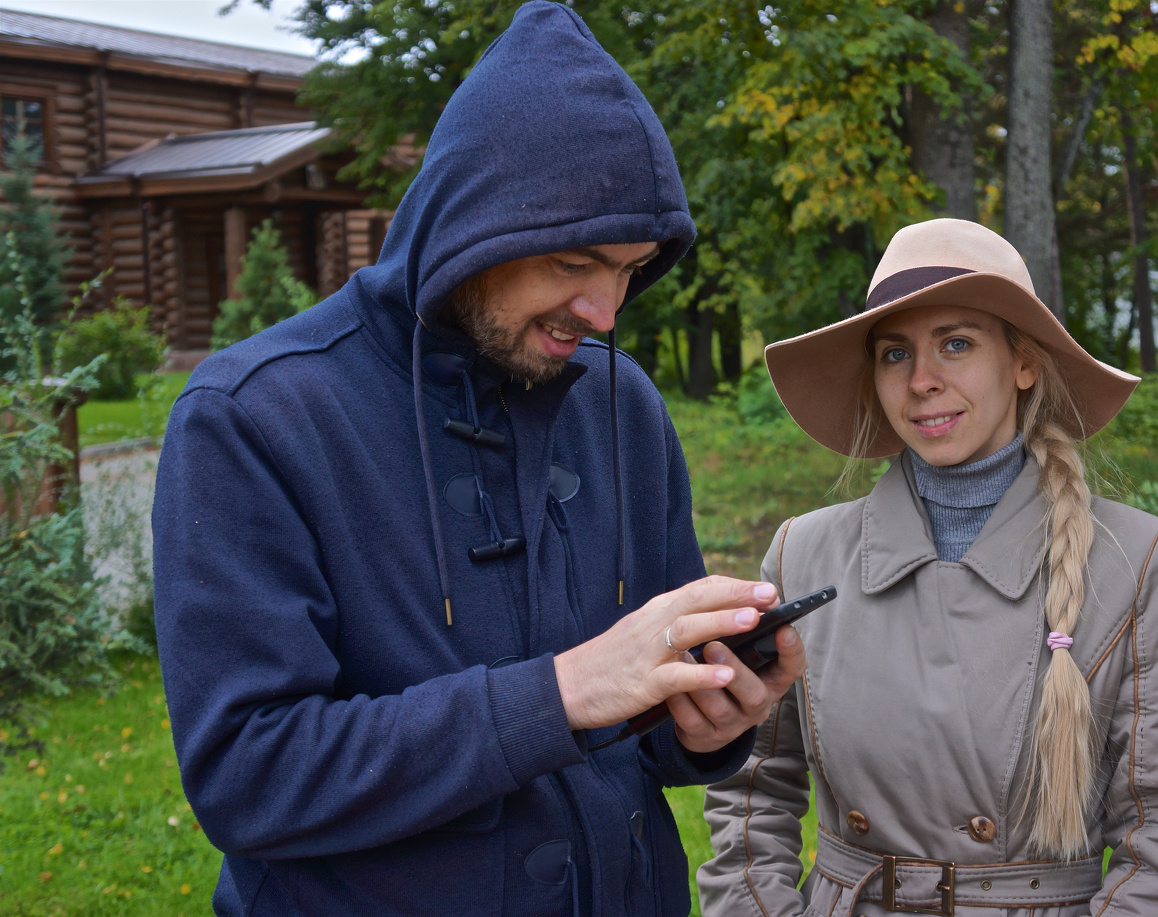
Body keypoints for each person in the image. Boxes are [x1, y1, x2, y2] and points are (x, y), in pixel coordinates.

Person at [152, 4, 805, 915]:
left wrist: (704, 720)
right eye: (576, 262)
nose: (606, 310)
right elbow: (248, 774)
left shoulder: (621, 402)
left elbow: (637, 727)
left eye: (631, 267)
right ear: (473, 228)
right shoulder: (255, 416)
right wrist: (562, 691)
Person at [698, 219, 1158, 916]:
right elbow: (749, 789)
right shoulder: (804, 553)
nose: (922, 381)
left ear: (1024, 363)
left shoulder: (1137, 563)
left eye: (956, 344)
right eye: (895, 353)